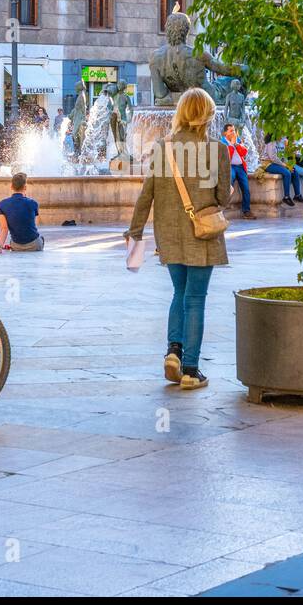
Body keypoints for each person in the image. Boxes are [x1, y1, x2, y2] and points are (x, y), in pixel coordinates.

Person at [125, 87, 229, 391]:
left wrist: (135, 232)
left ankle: (173, 351)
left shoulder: (163, 148)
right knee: (195, 298)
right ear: (208, 114)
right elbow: (222, 197)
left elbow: (147, 195)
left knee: (178, 292)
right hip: (202, 233)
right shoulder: (216, 150)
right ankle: (191, 370)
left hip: (169, 233)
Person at [0, 172, 44, 252]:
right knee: (41, 238)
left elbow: (4, 228)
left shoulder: (2, 204)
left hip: (16, 246)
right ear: (25, 187)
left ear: (11, 186)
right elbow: (34, 225)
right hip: (34, 245)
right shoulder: (33, 203)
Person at [259, 138, 303, 206]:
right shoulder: (271, 142)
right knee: (287, 173)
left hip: (278, 163)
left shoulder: (283, 141)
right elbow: (273, 158)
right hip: (268, 164)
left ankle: (297, 195)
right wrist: (285, 166)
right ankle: (286, 197)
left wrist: (289, 165)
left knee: (294, 172)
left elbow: (283, 156)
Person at [224, 123, 255, 220]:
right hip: (230, 167)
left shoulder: (237, 140)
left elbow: (244, 152)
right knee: (230, 184)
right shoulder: (222, 142)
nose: (233, 132)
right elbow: (227, 157)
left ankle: (246, 211)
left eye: (234, 130)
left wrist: (236, 144)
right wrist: (231, 145)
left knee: (246, 188)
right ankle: (224, 206)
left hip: (240, 167)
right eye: (231, 131)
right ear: (225, 133)